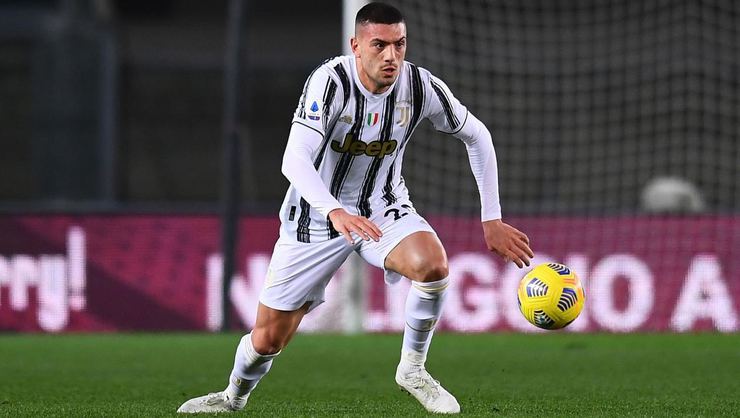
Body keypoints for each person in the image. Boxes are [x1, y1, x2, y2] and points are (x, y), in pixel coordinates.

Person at [178, 2, 533, 414]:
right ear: (356, 45)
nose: (391, 55)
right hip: (314, 217)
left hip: (382, 206)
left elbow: (478, 135)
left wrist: (492, 218)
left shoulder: (419, 86)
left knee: (433, 266)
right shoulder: (330, 83)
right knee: (268, 338)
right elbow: (294, 159)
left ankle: (413, 370)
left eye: (399, 44)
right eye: (379, 45)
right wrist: (335, 211)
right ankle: (232, 397)